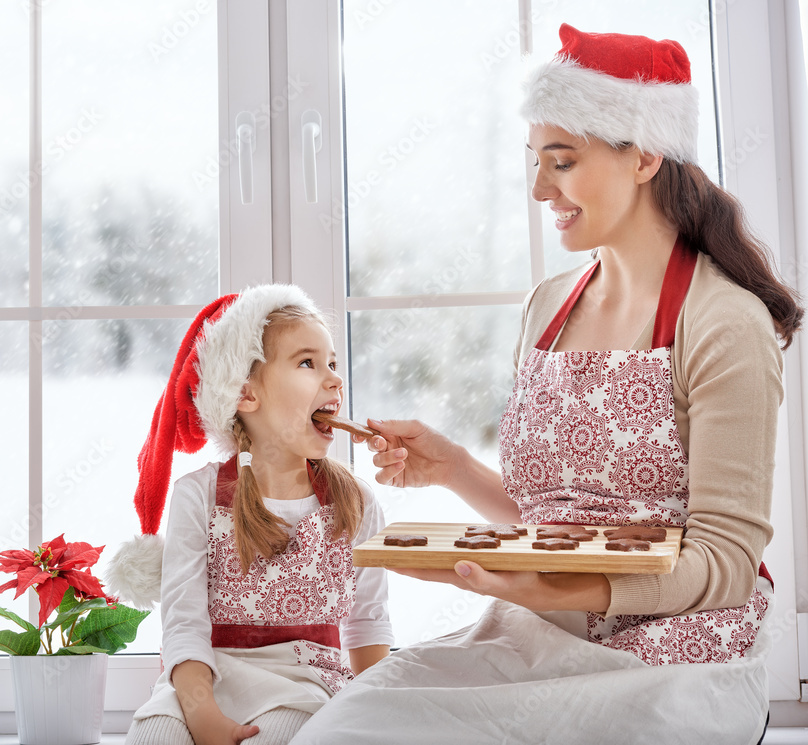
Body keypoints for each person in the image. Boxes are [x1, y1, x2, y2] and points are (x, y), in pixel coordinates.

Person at [289, 24, 802, 745]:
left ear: (647, 154)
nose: (538, 189)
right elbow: (559, 524)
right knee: (345, 730)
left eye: (560, 162)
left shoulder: (723, 321)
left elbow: (724, 562)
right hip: (535, 630)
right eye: (534, 161)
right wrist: (453, 467)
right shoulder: (548, 307)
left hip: (677, 650)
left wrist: (559, 590)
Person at [108, 284, 393, 745]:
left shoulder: (355, 501)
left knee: (278, 735)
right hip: (204, 679)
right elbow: (184, 624)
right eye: (307, 363)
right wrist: (202, 716)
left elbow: (368, 625)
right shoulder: (197, 496)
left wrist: (377, 716)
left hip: (305, 685)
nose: (335, 379)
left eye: (333, 363)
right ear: (245, 394)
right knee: (153, 737)